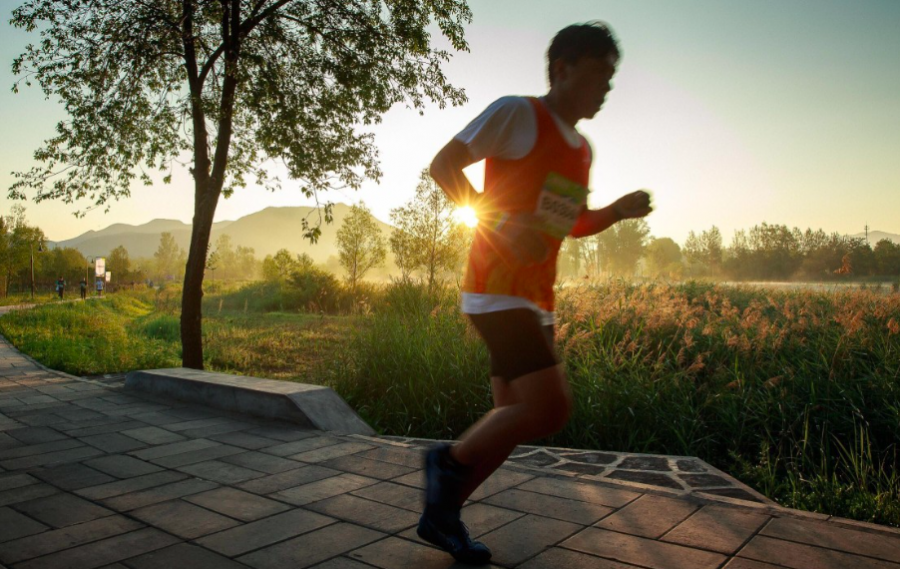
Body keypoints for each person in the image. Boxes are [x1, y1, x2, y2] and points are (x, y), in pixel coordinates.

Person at [419, 22, 653, 564]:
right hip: (495, 290)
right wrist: (498, 228)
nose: (608, 88)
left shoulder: (581, 150)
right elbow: (443, 166)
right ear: (561, 69)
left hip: (535, 299)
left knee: (507, 424)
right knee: (548, 410)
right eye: (600, 74)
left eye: (612, 77)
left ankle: (441, 516)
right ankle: (445, 463)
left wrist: (616, 212)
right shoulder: (517, 112)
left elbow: (567, 223)